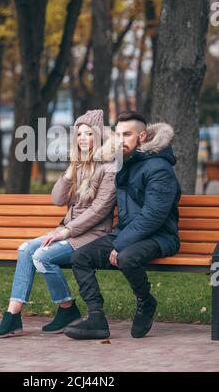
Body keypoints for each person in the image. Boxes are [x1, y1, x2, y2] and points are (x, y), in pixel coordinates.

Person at [0, 109, 117, 338]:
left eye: (88, 134)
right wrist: (70, 170)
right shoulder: (78, 166)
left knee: (41, 256)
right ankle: (13, 315)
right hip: (68, 232)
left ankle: (67, 309)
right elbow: (57, 199)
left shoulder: (109, 167)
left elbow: (100, 210)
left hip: (93, 234)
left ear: (98, 137)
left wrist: (65, 231)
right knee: (26, 249)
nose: (83, 139)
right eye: (79, 134)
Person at [64, 111, 181, 340]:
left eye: (127, 135)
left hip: (160, 236)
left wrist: (121, 243)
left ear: (143, 136)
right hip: (127, 234)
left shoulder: (159, 168)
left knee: (127, 258)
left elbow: (154, 215)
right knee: (80, 257)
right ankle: (96, 317)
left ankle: (146, 302)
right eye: (117, 135)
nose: (120, 141)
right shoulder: (124, 163)